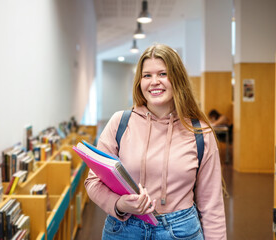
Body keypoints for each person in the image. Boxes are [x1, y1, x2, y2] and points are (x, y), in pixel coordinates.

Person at [85, 44, 226, 239]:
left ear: (177, 79)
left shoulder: (199, 132)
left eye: (163, 74)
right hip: (124, 229)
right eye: (147, 75)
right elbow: (93, 182)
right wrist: (119, 204)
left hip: (181, 230)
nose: (154, 82)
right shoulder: (119, 123)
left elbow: (212, 204)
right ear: (139, 81)